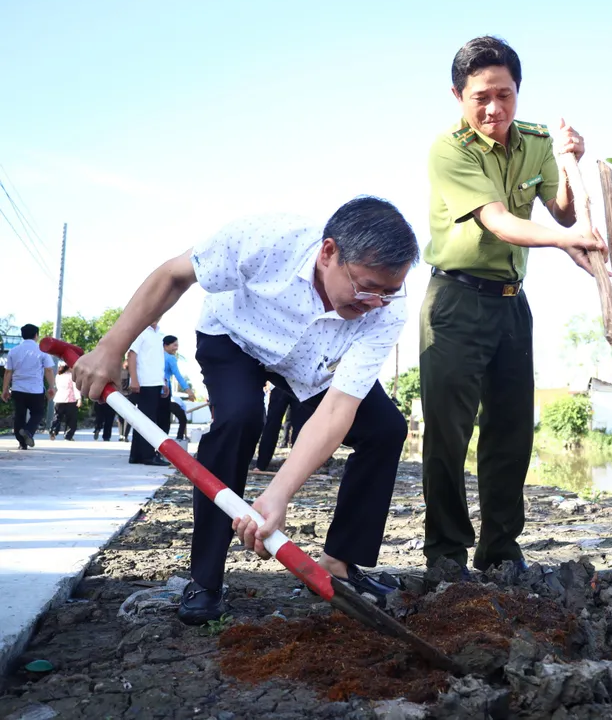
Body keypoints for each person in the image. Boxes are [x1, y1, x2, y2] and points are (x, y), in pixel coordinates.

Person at [72, 197, 418, 626]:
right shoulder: (267, 240)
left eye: (389, 291)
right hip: (235, 338)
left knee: (385, 429)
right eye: (366, 286)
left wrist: (278, 493)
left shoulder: (385, 311)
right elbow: (172, 276)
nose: (375, 302)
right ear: (328, 252)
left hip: (311, 363)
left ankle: (339, 563)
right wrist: (111, 346)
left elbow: (336, 411)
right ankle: (205, 579)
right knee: (239, 419)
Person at [420, 36, 606, 574]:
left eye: (505, 95)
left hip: (509, 304)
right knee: (448, 434)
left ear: (518, 92)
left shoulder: (536, 141)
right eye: (481, 97)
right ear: (458, 95)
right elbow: (498, 219)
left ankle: (500, 549)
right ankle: (446, 552)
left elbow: (565, 213)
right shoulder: (448, 149)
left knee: (511, 430)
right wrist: (562, 242)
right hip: (454, 302)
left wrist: (573, 164)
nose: (494, 109)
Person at [1, 324, 56, 449]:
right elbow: (48, 370)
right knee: (37, 413)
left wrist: (4, 389)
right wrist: (52, 386)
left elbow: (8, 372)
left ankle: (22, 443)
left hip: (18, 389)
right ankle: (29, 431)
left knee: (20, 415)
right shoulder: (42, 351)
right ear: (36, 335)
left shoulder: (13, 351)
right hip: (35, 389)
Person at [127, 321, 169, 466]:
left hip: (155, 381)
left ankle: (136, 455)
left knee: (143, 419)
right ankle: (148, 456)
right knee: (148, 421)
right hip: (144, 382)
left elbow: (157, 361)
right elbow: (131, 355)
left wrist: (163, 381)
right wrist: (134, 379)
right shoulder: (140, 331)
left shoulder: (159, 334)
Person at [160, 335, 195, 440]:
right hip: (165, 391)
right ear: (166, 345)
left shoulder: (156, 356)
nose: (176, 348)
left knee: (157, 418)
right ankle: (163, 443)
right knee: (165, 420)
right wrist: (188, 391)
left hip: (154, 389)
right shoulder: (170, 358)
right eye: (174, 345)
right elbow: (178, 375)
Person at [50, 363, 82, 440]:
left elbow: (57, 386)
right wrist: (79, 399)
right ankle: (68, 435)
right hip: (71, 400)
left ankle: (53, 431)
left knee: (57, 417)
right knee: (71, 419)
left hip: (59, 399)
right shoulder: (72, 376)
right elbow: (76, 388)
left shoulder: (58, 376)